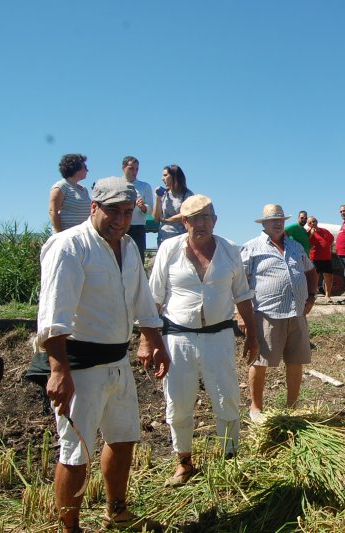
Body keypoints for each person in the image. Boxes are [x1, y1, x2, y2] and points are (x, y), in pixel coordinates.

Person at [37, 177, 169, 532]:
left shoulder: (127, 247)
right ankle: (70, 528)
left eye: (128, 212)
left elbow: (141, 298)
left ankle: (117, 511)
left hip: (116, 361)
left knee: (124, 438)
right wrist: (59, 370)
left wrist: (153, 339)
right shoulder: (69, 246)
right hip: (79, 365)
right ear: (94, 207)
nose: (122, 219)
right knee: (75, 451)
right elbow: (53, 314)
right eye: (114, 211)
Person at [147, 194, 258, 486]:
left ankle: (228, 461)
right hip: (177, 339)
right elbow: (154, 298)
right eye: (194, 218)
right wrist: (148, 341)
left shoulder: (230, 250)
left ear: (215, 220)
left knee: (227, 397)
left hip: (219, 336)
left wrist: (253, 335)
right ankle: (183, 463)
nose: (201, 223)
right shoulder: (169, 250)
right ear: (184, 222)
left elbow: (243, 294)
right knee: (178, 401)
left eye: (206, 217)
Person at [242, 204, 317, 422]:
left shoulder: (295, 247)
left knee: (296, 360)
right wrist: (241, 314)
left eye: (280, 220)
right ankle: (256, 408)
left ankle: (292, 407)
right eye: (272, 220)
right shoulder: (252, 248)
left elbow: (311, 271)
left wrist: (312, 296)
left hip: (297, 313)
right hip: (267, 314)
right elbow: (239, 282)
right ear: (263, 223)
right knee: (260, 361)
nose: (277, 223)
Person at [121, 156, 153, 262]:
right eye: (131, 168)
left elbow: (150, 209)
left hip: (137, 227)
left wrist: (143, 207)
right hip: (119, 226)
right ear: (123, 168)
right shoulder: (117, 185)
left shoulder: (145, 186)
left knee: (138, 260)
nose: (134, 171)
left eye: (137, 169)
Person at [48, 154, 91, 232]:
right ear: (76, 169)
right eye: (85, 168)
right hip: (67, 236)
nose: (87, 170)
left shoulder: (83, 189)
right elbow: (53, 211)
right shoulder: (61, 186)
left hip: (82, 236)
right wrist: (59, 234)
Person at [152, 164, 193, 246]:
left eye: (165, 175)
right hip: (163, 238)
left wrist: (167, 220)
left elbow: (186, 214)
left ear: (174, 176)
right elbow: (156, 218)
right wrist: (158, 199)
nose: (162, 178)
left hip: (181, 237)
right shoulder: (163, 194)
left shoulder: (187, 194)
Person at [307, 216, 335, 303]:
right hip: (314, 258)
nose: (312, 223)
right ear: (308, 224)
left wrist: (327, 246)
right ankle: (313, 296)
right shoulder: (307, 232)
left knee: (329, 277)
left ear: (317, 221)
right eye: (310, 222)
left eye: (313, 221)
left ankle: (327, 296)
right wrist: (311, 234)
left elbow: (331, 239)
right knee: (314, 278)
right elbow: (305, 242)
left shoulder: (324, 231)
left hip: (326, 257)